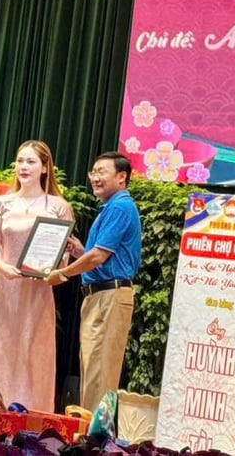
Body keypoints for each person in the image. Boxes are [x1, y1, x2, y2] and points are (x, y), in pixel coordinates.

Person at [0, 140, 74, 412]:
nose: (24, 167)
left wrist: (52, 271)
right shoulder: (2, 204)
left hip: (36, 296)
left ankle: (28, 420)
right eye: (20, 161)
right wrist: (3, 266)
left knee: (31, 357)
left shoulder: (58, 206)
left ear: (45, 168)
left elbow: (62, 256)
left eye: (31, 162)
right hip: (2, 292)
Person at [46, 152, 142, 412]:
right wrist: (81, 252)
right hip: (100, 296)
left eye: (102, 172)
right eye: (93, 172)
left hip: (109, 297)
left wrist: (63, 273)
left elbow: (98, 256)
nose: (95, 178)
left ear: (121, 177)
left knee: (100, 375)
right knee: (93, 370)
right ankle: (90, 431)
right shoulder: (111, 208)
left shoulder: (120, 207)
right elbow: (100, 256)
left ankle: (94, 434)